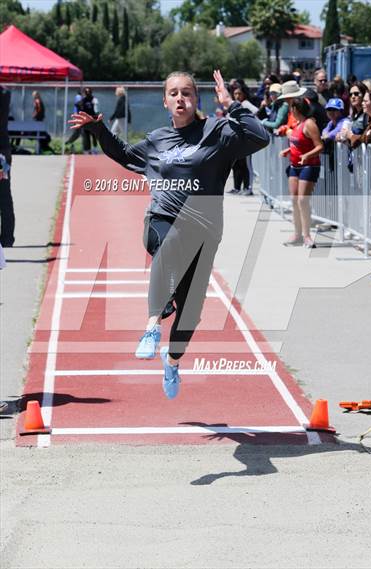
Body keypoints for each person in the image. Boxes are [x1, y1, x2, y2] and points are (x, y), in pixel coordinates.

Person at [69, 69, 269, 399]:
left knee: (190, 315)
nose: (181, 98)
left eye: (187, 92)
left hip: (204, 231)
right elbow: (125, 154)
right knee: (167, 239)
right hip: (161, 221)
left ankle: (173, 362)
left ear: (197, 99)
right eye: (174, 93)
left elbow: (260, 137)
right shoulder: (158, 139)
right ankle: (151, 325)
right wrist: (98, 128)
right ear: (165, 101)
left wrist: (231, 104)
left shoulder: (217, 133)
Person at [280, 97, 323, 249]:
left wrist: (307, 156)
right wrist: (288, 150)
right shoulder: (298, 124)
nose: (291, 111)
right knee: (294, 199)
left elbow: (319, 146)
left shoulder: (309, 124)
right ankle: (297, 234)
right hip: (294, 165)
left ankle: (307, 235)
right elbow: (298, 143)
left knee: (302, 200)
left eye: (292, 108)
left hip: (309, 166)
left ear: (296, 110)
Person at [229, 86, 259, 196]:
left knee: (246, 165)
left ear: (244, 95)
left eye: (239, 94)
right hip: (236, 140)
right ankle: (237, 187)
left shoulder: (245, 104)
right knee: (236, 165)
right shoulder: (234, 105)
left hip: (245, 140)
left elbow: (256, 111)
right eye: (235, 93)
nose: (237, 96)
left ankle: (248, 188)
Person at [0, 85, 15, 248]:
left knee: (4, 195)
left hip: (1, 153)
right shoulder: (5, 93)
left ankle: (7, 236)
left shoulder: (3, 95)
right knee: (5, 195)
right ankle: (7, 236)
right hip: (4, 151)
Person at [79, 87, 100, 154]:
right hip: (85, 120)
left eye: (89, 91)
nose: (87, 93)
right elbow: (80, 108)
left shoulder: (94, 99)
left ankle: (95, 148)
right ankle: (87, 150)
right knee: (86, 136)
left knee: (94, 135)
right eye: (86, 92)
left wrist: (97, 117)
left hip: (93, 119)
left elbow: (97, 110)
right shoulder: (83, 100)